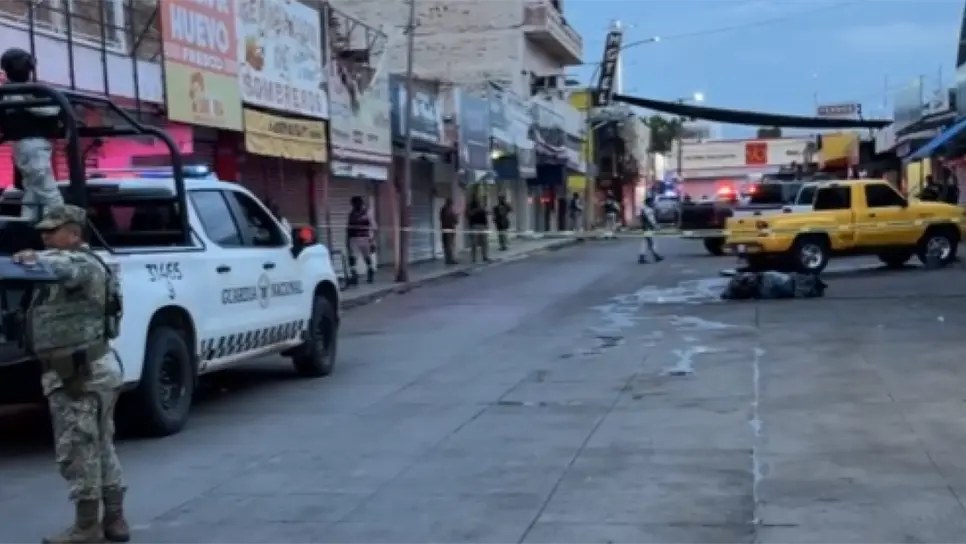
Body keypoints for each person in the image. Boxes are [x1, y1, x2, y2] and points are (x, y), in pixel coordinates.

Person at [12, 205, 127, 544]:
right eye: (43, 231)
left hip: (77, 374)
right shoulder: (82, 264)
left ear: (75, 234)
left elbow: (60, 265)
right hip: (92, 368)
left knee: (78, 449)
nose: (46, 236)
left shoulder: (77, 263)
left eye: (54, 230)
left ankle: (87, 526)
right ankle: (115, 519)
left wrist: (29, 258)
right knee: (101, 445)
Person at [1, 47, 65, 220]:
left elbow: (49, 110)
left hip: (25, 145)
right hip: (30, 144)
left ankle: (33, 226)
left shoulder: (13, 92)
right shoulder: (26, 92)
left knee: (35, 189)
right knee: (46, 192)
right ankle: (59, 231)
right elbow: (50, 110)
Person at [346, 196, 375, 285]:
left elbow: (375, 227)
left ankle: (370, 271)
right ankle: (354, 276)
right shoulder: (351, 214)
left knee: (367, 257)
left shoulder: (367, 214)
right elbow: (348, 228)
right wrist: (347, 240)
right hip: (354, 239)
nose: (354, 206)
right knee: (352, 258)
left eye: (355, 204)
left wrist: (372, 240)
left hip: (365, 238)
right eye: (353, 204)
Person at [638, 197, 664, 264]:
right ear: (649, 203)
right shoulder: (648, 210)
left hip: (644, 227)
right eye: (652, 202)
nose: (653, 203)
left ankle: (642, 257)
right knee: (651, 242)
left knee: (645, 242)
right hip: (648, 228)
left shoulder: (643, 209)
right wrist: (656, 226)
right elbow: (651, 220)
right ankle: (656, 256)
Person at [466, 196, 489, 263]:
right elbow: (469, 214)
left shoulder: (482, 207)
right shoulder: (471, 205)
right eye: (477, 199)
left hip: (483, 225)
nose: (478, 200)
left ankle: (485, 256)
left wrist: (486, 225)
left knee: (484, 241)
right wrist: (477, 209)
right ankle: (473, 258)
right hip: (475, 225)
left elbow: (485, 215)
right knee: (474, 242)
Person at [439, 198, 459, 265]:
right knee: (448, 245)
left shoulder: (449, 210)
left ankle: (450, 259)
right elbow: (445, 219)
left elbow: (455, 221)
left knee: (450, 245)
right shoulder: (445, 210)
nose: (451, 205)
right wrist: (453, 216)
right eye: (450, 203)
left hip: (450, 229)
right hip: (447, 229)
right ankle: (449, 260)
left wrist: (455, 217)